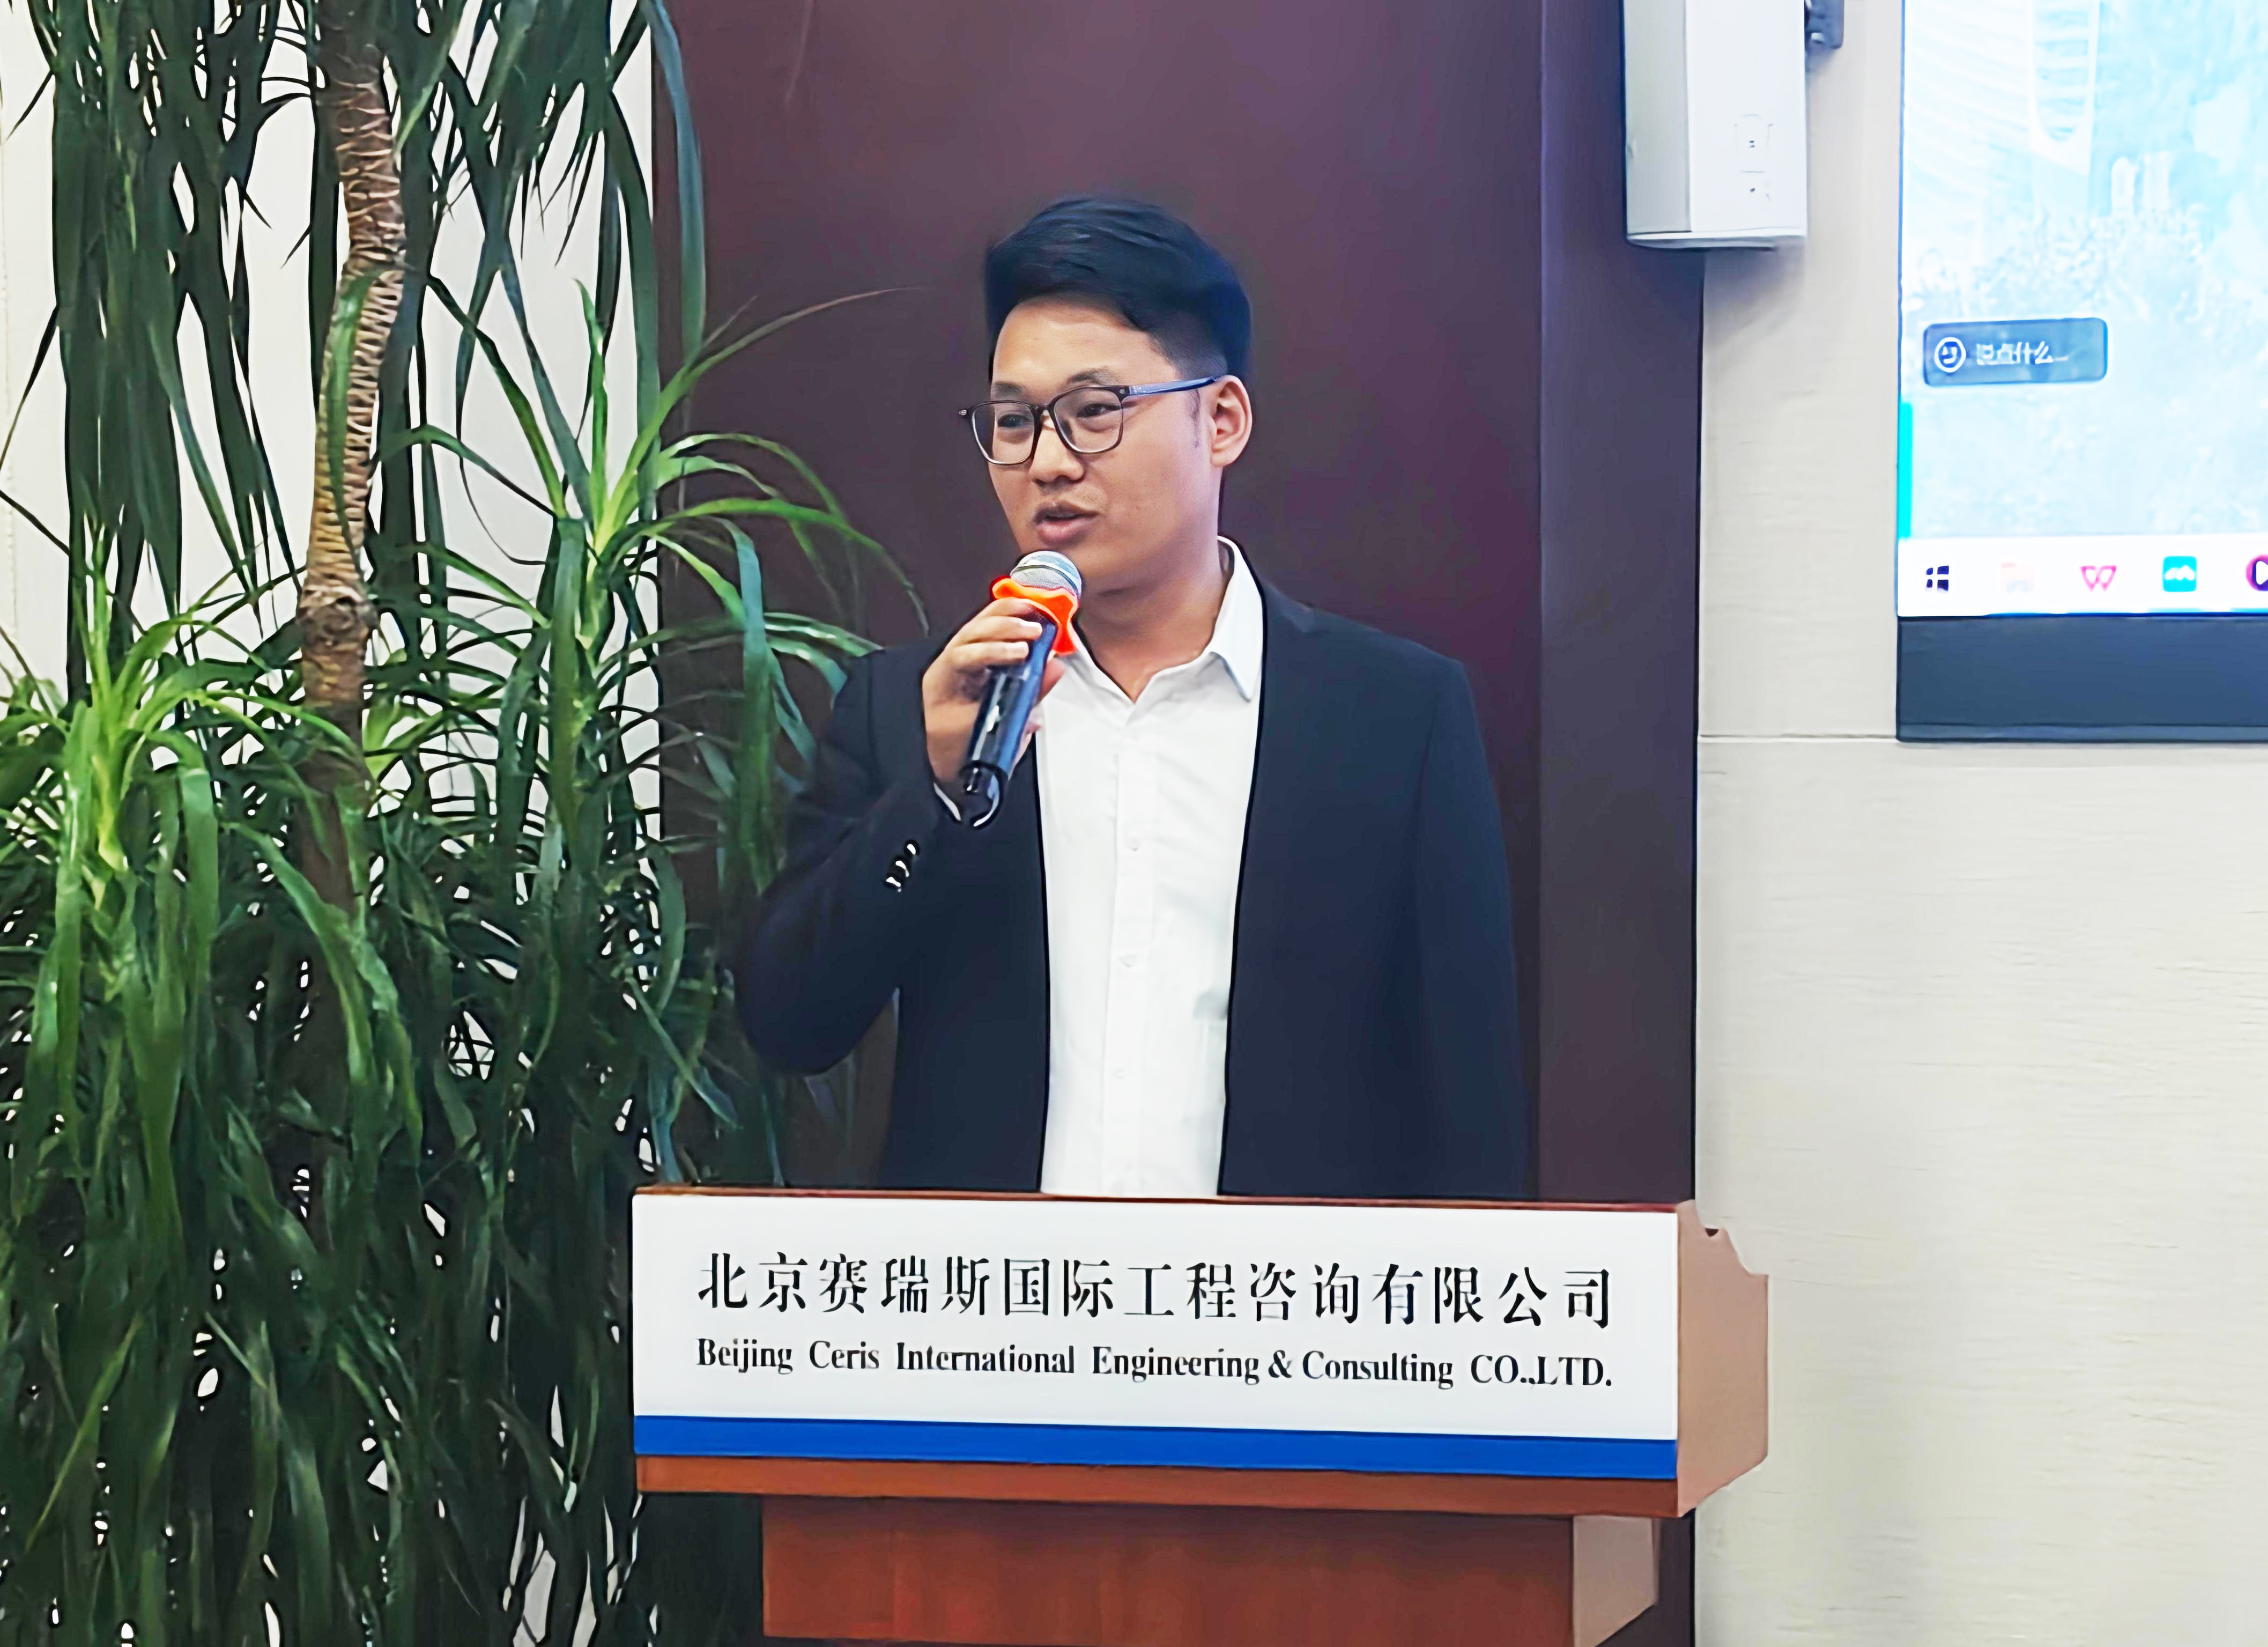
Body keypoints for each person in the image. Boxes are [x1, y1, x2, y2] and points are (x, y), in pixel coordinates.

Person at [738, 197, 1526, 1200]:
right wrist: (928, 795)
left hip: (1276, 1294)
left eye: (1096, 412)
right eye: (1014, 422)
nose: (1047, 462)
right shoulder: (920, 706)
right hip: (998, 1299)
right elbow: (789, 1022)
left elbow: (1469, 1112)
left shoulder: (1392, 718)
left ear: (1220, 420)